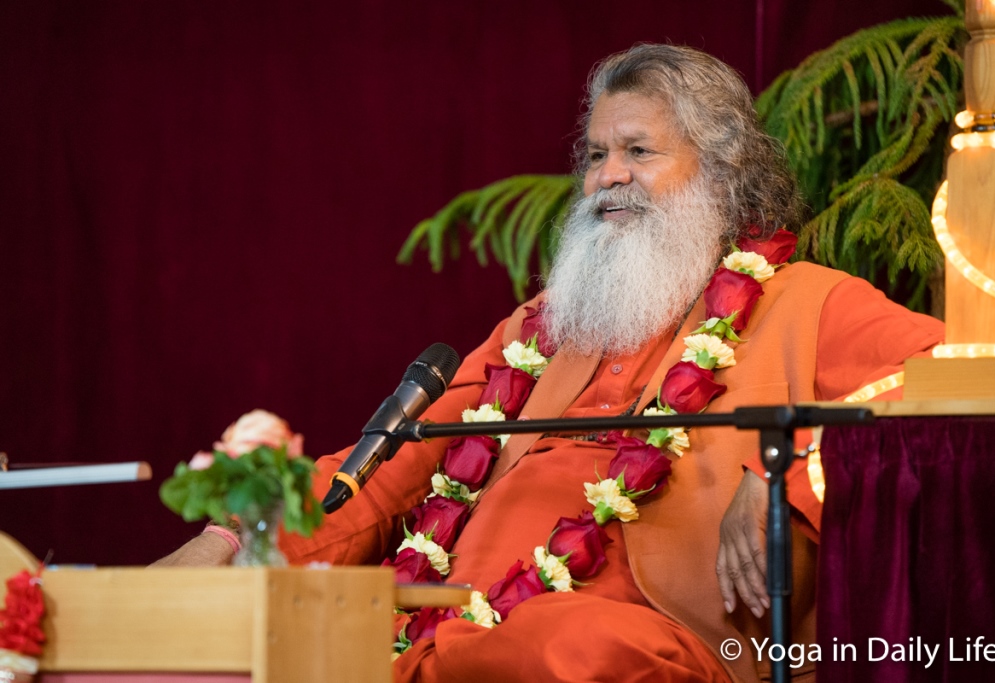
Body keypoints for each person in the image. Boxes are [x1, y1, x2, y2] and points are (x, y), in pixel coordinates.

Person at [155, 44, 944, 682]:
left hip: (638, 641)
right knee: (254, 644)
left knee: (568, 648)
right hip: (438, 626)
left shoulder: (807, 302)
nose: (608, 175)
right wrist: (232, 539)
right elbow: (388, 469)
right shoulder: (542, 329)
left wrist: (789, 477)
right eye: (597, 153)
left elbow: (951, 376)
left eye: (638, 150)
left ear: (720, 171)